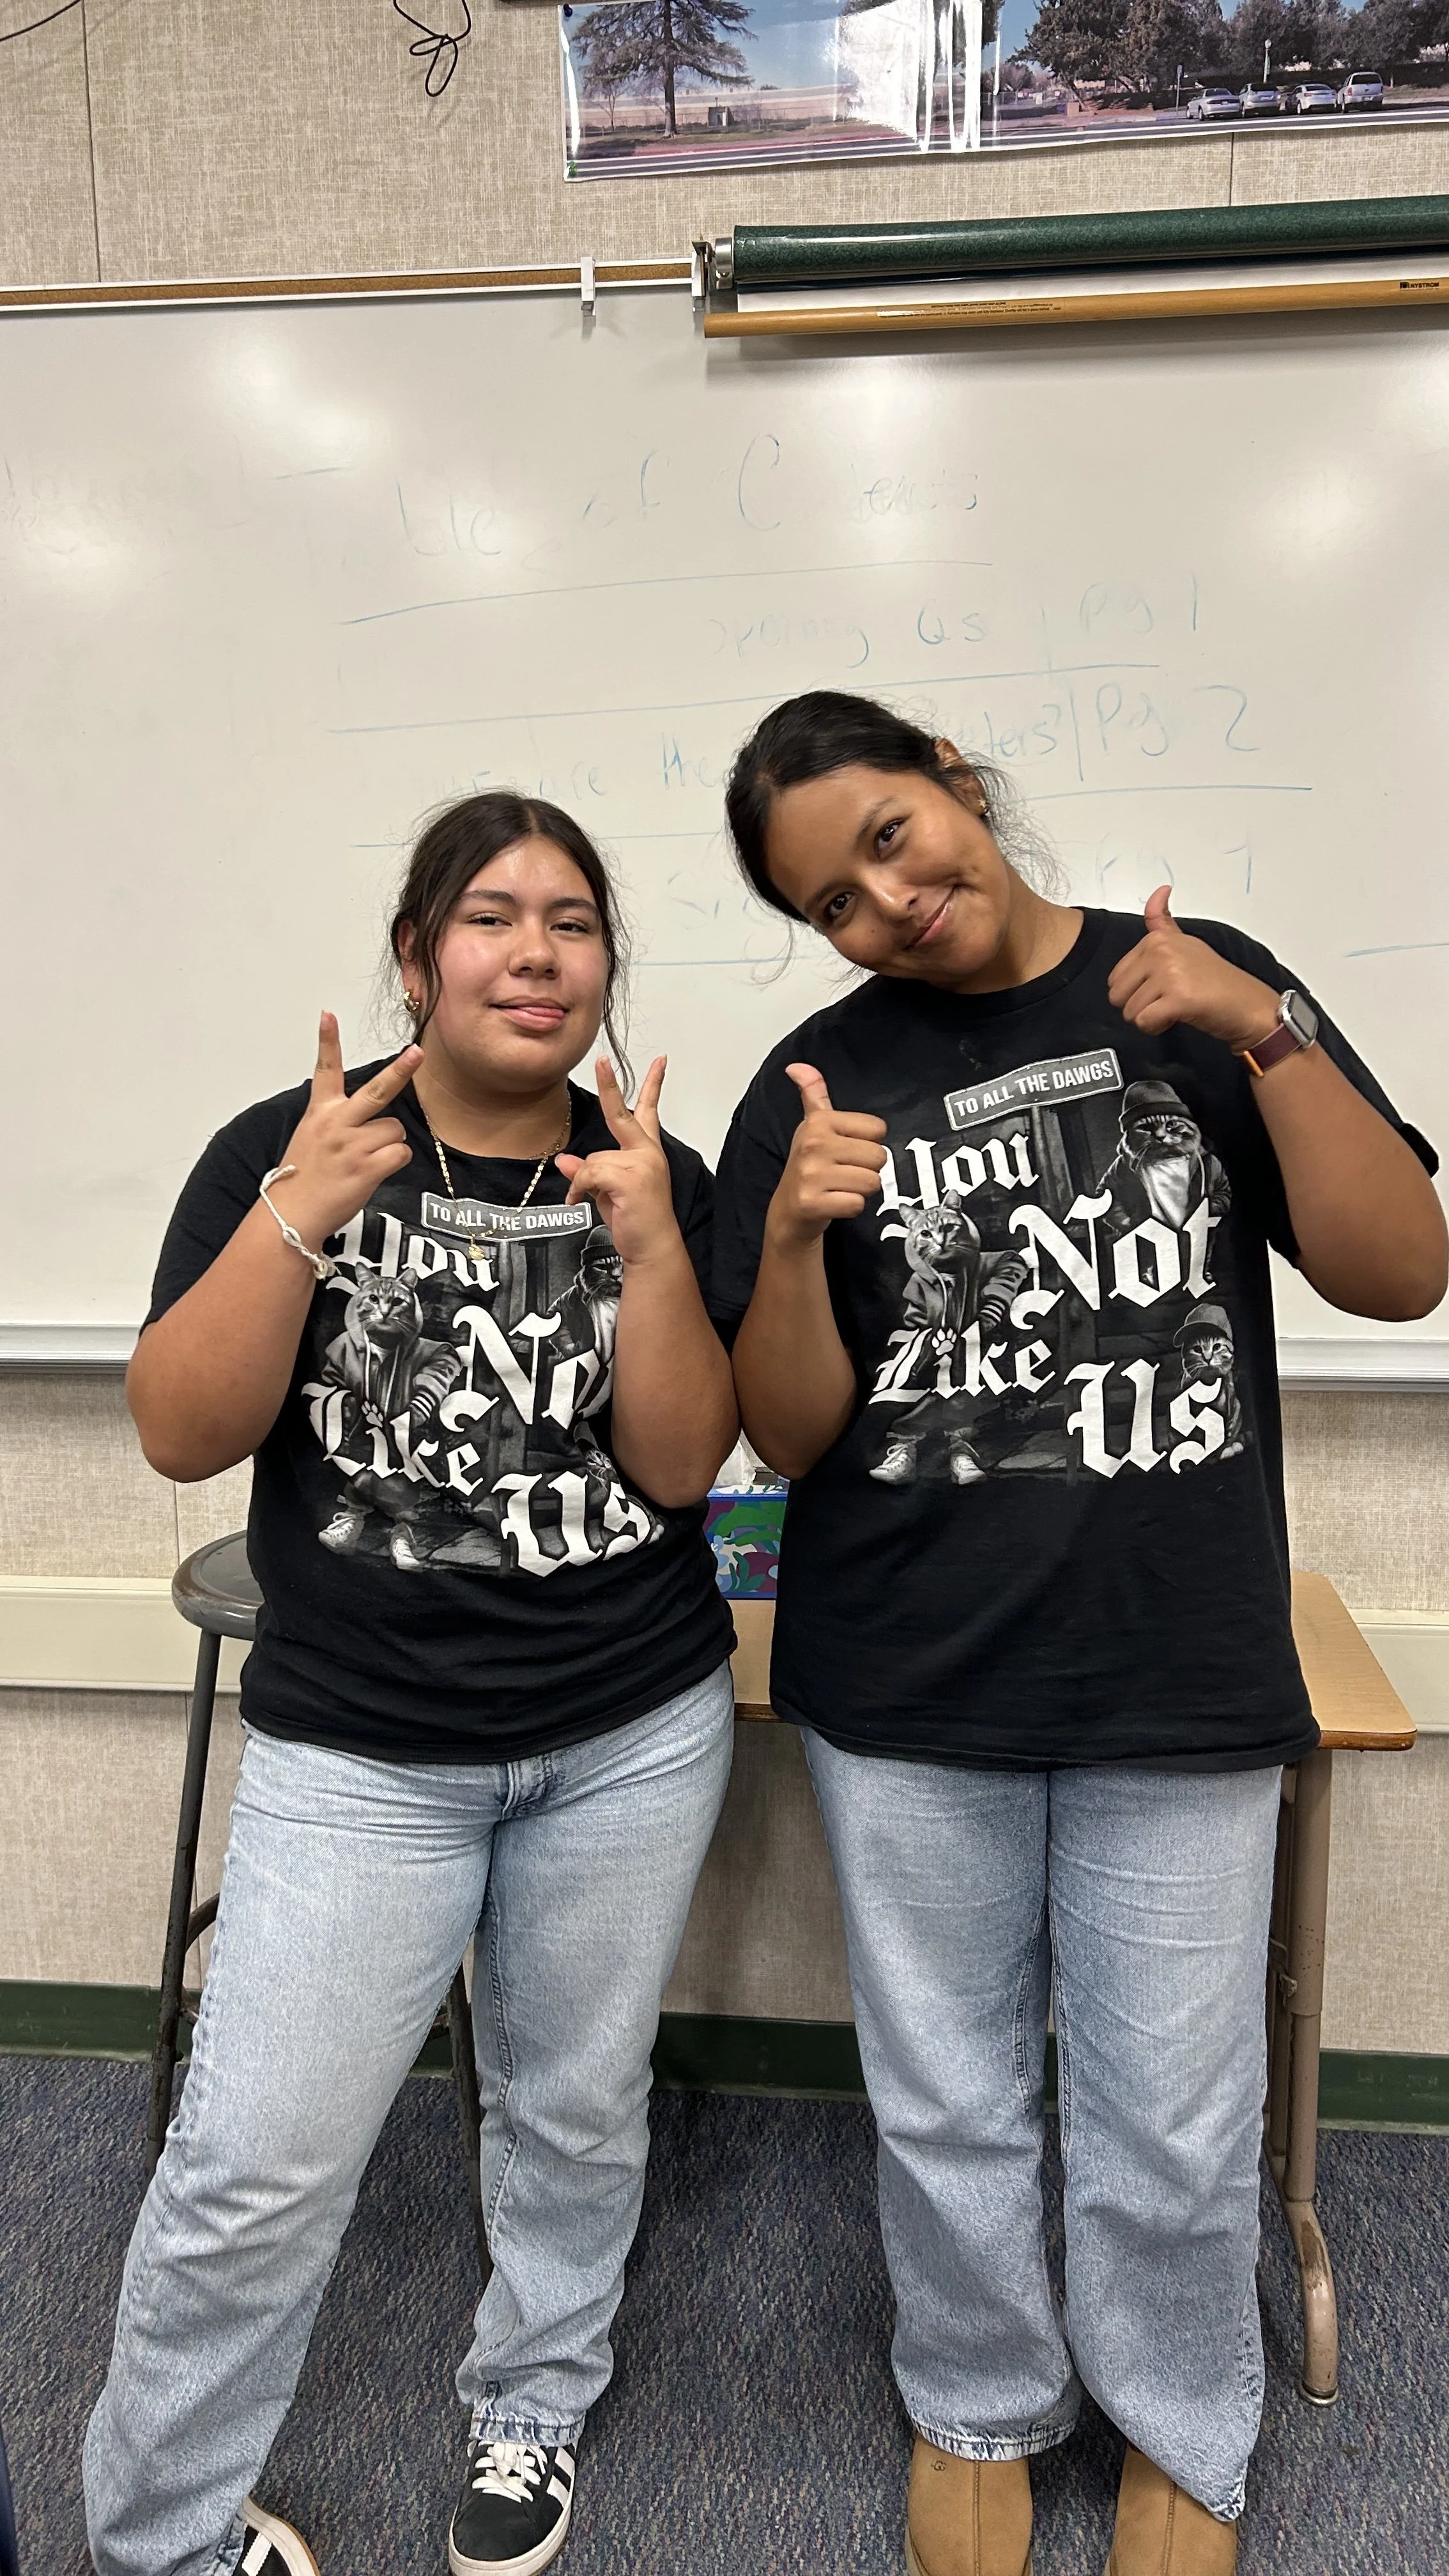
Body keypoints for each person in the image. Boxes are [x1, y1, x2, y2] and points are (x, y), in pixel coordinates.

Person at [711, 691, 1446, 2576]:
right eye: (834, 902)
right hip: (908, 1678)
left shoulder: (1195, 990)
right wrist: (792, 1241)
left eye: (890, 836)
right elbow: (783, 1433)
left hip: (1173, 1666)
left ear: (953, 782)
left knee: (1171, 2110)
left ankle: (1178, 2422)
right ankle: (973, 2400)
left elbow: (1397, 1266)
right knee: (945, 2093)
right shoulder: (814, 1083)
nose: (887, 902)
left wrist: (1257, 1036)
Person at [84, 792, 738, 2576]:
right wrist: (300, 1218)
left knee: (573, 2104)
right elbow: (178, 1431)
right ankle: (158, 2536)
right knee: (258, 2166)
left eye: (575, 923)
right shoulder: (289, 1147)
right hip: (362, 1750)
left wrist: (656, 1246)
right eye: (492, 917)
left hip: (625, 1730)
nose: (536, 955)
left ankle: (531, 2409)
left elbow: (684, 1471)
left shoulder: (646, 1166)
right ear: (413, 955)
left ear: (608, 965)